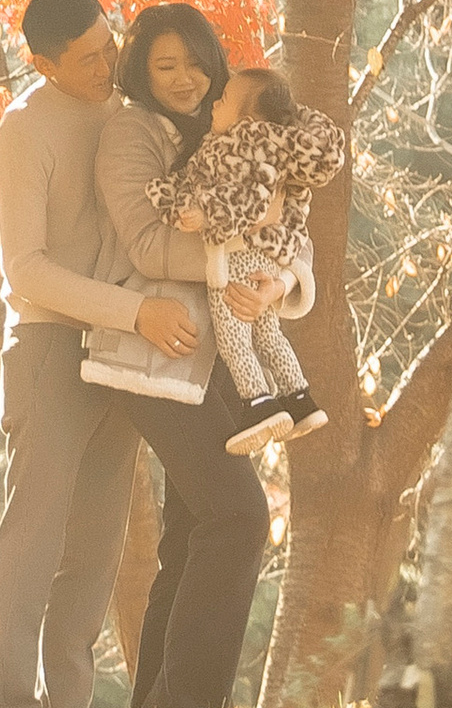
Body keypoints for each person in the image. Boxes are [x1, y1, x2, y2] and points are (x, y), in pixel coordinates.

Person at [0, 0, 194, 708]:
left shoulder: (128, 116)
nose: (108, 66)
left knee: (97, 553)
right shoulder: (23, 130)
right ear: (43, 64)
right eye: (88, 59)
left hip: (120, 350)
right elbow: (25, 270)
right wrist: (137, 311)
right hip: (47, 344)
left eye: (111, 47)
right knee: (33, 543)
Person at [92, 2, 311, 708]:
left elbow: (291, 221)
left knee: (190, 536)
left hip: (216, 353)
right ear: (140, 72)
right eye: (164, 66)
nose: (184, 79)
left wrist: (277, 279)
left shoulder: (239, 123)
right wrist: (247, 260)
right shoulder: (130, 132)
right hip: (153, 350)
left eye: (194, 62)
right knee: (239, 513)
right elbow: (148, 248)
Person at [147, 63, 346, 452]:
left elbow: (249, 201)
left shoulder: (239, 144)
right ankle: (299, 399)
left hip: (236, 258)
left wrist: (202, 211)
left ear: (248, 118)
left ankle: (258, 403)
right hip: (268, 261)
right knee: (268, 334)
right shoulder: (278, 146)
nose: (214, 105)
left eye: (223, 101)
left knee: (233, 337)